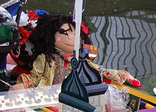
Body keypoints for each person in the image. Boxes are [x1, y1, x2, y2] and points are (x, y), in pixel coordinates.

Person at [11, 13, 140, 89]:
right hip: (53, 96)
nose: (71, 39)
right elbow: (36, 77)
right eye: (64, 33)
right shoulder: (47, 58)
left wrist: (124, 75)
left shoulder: (82, 58)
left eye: (75, 34)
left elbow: (99, 70)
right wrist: (23, 86)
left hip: (78, 93)